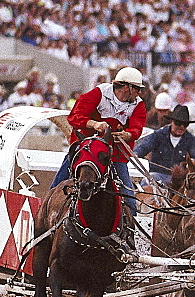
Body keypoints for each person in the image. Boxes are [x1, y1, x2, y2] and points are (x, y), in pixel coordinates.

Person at [50, 66, 148, 215]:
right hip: (87, 149)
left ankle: (131, 227)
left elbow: (137, 127)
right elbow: (75, 116)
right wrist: (95, 124)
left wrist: (127, 135)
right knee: (61, 181)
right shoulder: (99, 93)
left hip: (113, 154)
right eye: (137, 89)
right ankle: (47, 207)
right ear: (127, 87)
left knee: (128, 198)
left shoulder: (138, 104)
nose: (139, 93)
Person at [134, 104, 195, 187]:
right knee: (147, 182)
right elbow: (142, 148)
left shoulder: (191, 140)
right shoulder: (158, 135)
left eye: (185, 124)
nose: (181, 127)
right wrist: (136, 155)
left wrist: (194, 162)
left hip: (180, 180)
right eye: (178, 123)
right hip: (157, 176)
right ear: (171, 122)